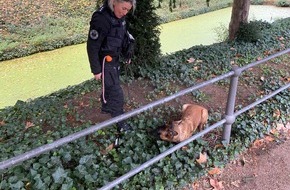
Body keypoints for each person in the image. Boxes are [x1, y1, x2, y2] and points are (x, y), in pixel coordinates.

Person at [87, 0, 136, 132]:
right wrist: (96, 70)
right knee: (116, 93)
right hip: (105, 63)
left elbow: (122, 35)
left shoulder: (119, 16)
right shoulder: (101, 18)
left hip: (114, 60)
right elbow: (92, 46)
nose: (125, 12)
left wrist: (127, 54)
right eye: (123, 8)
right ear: (114, 2)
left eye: (128, 10)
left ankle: (107, 106)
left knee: (111, 87)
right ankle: (120, 123)